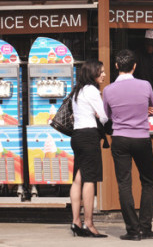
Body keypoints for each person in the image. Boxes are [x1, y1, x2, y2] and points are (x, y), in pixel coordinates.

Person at [103, 49, 153, 241]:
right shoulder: (145, 85)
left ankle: (133, 231)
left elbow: (107, 115)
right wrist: (145, 111)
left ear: (116, 66)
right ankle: (145, 227)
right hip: (142, 138)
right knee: (148, 181)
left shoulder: (108, 90)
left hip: (120, 139)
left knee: (124, 184)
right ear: (134, 66)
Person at [69, 59, 108, 238]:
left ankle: (76, 221)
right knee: (90, 179)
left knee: (78, 179)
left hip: (76, 136)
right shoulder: (92, 90)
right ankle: (89, 224)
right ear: (92, 72)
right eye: (101, 72)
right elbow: (104, 118)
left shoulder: (78, 90)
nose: (104, 75)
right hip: (89, 136)